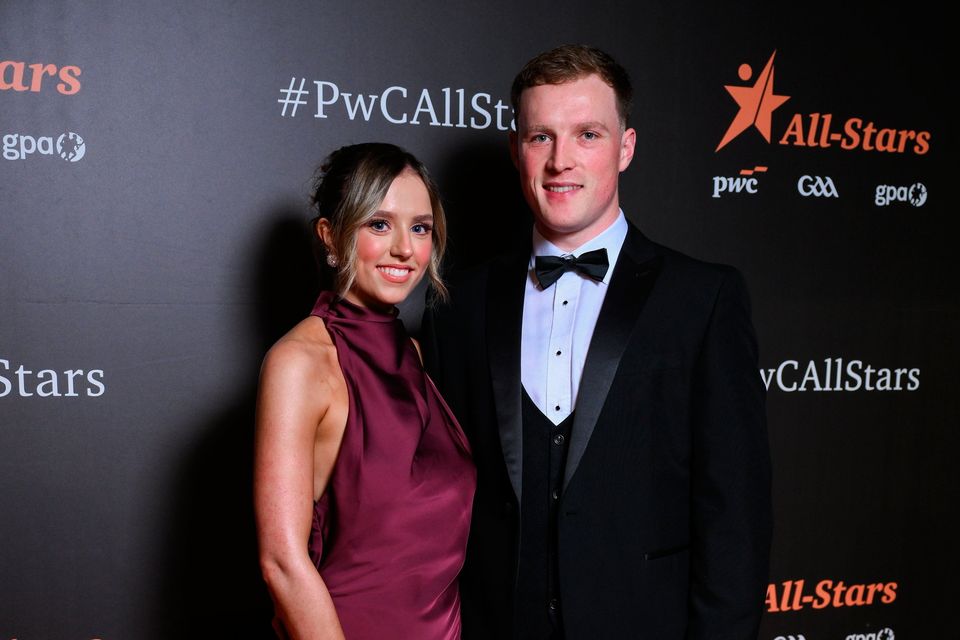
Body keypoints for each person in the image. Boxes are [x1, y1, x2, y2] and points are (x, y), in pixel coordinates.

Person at [421, 44, 772, 639]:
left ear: (625, 148)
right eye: (541, 137)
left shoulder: (703, 299)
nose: (562, 161)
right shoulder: (459, 304)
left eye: (588, 134)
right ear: (516, 150)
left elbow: (735, 517)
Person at [254, 142, 476, 640]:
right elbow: (282, 563)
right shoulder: (299, 364)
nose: (404, 248)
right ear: (331, 237)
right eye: (379, 224)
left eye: (420, 227)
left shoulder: (414, 355)